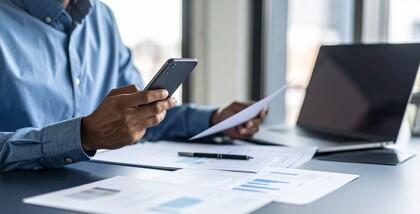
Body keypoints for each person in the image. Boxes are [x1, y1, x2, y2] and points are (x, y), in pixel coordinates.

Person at [0, 0, 267, 172]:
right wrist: (82, 136)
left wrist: (214, 120)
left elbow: (133, 117)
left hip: (93, 197)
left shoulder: (101, 17)